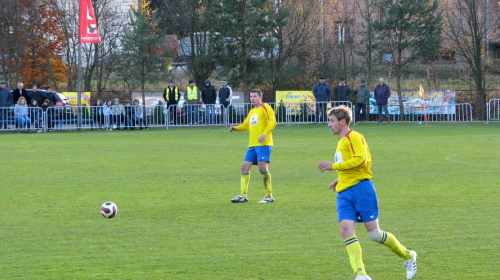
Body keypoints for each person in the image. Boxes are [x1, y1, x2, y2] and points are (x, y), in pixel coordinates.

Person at [317, 105, 417, 280]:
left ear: (342, 121)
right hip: (344, 192)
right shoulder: (341, 142)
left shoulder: (354, 137)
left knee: (374, 234)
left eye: (331, 121)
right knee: (345, 229)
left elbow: (361, 161)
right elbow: (350, 165)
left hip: (361, 190)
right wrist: (340, 178)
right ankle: (361, 274)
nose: (329, 125)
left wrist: (334, 167)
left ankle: (408, 256)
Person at [229, 89, 277, 204]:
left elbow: (273, 122)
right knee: (244, 167)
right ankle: (243, 195)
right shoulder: (252, 111)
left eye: (254, 96)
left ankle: (269, 196)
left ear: (261, 96)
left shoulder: (266, 107)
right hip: (252, 145)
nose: (252, 98)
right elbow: (246, 124)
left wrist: (264, 134)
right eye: (251, 96)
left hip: (264, 144)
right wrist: (236, 128)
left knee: (262, 168)